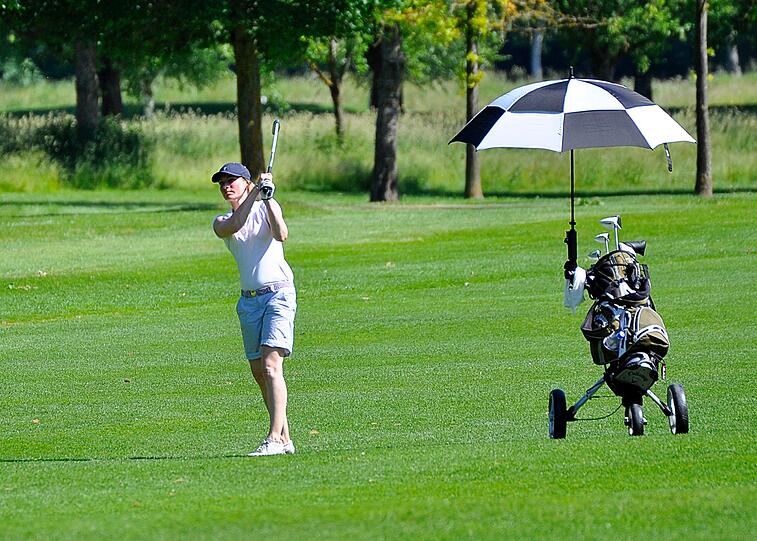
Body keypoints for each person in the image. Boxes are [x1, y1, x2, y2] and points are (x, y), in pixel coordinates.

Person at [211, 162, 297, 456]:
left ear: (246, 183)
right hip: (248, 303)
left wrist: (268, 197)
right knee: (260, 373)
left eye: (232, 181)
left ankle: (273, 438)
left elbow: (281, 234)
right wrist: (255, 192)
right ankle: (284, 438)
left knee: (272, 366)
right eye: (222, 183)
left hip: (278, 295)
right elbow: (235, 225)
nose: (226, 186)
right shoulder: (221, 221)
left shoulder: (265, 208)